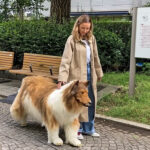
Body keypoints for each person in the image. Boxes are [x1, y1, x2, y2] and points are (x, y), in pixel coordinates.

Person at [57, 15, 103, 140]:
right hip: (76, 75)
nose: (85, 31)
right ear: (77, 26)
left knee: (90, 101)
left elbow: (95, 57)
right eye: (83, 28)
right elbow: (65, 60)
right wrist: (62, 78)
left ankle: (89, 129)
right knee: (78, 102)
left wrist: (99, 72)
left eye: (88, 28)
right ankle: (77, 130)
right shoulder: (71, 39)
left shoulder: (91, 39)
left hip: (90, 73)